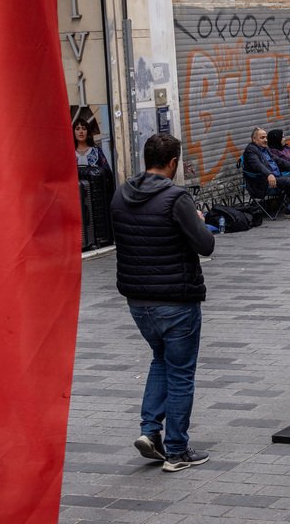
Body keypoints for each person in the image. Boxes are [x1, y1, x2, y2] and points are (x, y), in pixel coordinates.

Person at [111, 133, 215, 472]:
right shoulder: (176, 198)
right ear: (173, 163)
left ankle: (150, 432)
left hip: (138, 301)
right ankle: (177, 450)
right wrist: (198, 222)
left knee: (161, 360)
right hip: (176, 301)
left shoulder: (121, 196)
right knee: (182, 373)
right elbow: (205, 245)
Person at [241, 128, 290, 216]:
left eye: (266, 137)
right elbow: (258, 165)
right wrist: (269, 174)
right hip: (262, 183)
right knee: (288, 181)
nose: (265, 140)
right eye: (262, 138)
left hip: (276, 178)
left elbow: (279, 161)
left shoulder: (265, 149)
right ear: (254, 139)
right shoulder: (250, 151)